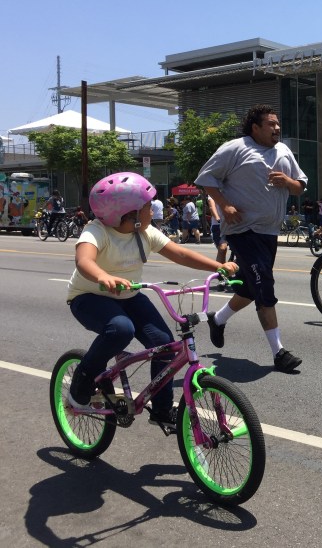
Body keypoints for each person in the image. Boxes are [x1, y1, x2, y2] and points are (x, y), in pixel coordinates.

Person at [65, 172, 238, 429]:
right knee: (120, 329)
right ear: (130, 214)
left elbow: (179, 253)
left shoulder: (145, 232)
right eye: (148, 206)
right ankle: (83, 378)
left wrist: (218, 266)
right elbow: (84, 260)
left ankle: (162, 410)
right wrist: (103, 276)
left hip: (129, 296)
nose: (154, 210)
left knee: (165, 345)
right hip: (89, 297)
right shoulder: (97, 231)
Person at [195, 104, 308, 371]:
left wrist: (288, 182)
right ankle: (279, 353)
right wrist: (225, 205)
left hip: (270, 231)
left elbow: (300, 186)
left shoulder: (283, 151)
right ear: (255, 128)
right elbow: (206, 178)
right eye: (271, 124)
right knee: (264, 285)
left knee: (250, 287)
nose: (277, 128)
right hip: (242, 230)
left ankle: (218, 320)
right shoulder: (235, 148)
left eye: (278, 124)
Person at [207, 194, 229, 266]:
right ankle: (220, 270)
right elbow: (212, 207)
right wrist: (218, 218)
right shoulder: (212, 193)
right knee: (222, 248)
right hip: (218, 225)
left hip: (233, 224)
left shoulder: (230, 191)